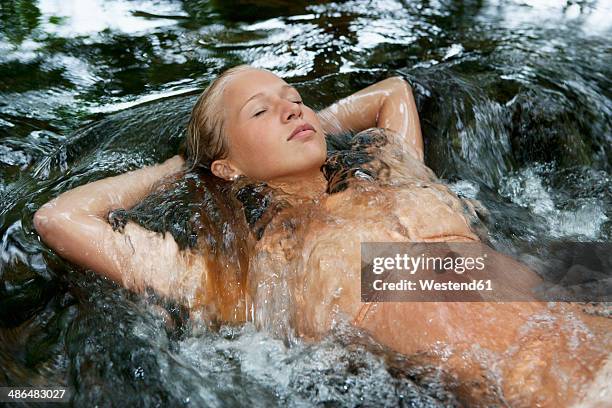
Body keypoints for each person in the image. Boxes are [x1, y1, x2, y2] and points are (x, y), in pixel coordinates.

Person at [34, 65, 610, 406]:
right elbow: (59, 219)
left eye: (295, 99)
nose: (291, 110)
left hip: (584, 327)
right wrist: (181, 168)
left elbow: (393, 93)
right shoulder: (246, 277)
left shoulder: (389, 172)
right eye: (262, 113)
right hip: (530, 382)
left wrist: (316, 127)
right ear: (227, 166)